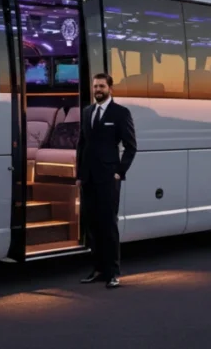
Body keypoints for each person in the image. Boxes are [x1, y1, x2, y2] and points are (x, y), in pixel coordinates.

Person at [75, 73, 136, 288]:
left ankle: (113, 272)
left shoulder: (120, 113)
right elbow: (81, 145)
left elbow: (131, 146)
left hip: (109, 178)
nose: (97, 89)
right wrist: (79, 175)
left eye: (101, 86)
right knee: (92, 225)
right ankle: (98, 269)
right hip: (89, 178)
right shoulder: (87, 112)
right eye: (95, 86)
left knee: (109, 224)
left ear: (110, 88)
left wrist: (120, 171)